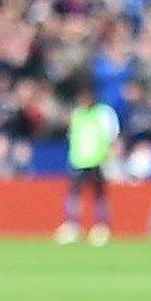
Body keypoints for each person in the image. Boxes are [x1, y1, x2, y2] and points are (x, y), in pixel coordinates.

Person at [56, 81, 117, 245]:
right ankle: (73, 226)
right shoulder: (77, 114)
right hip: (79, 161)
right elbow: (73, 137)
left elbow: (111, 138)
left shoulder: (104, 114)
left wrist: (109, 159)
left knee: (99, 195)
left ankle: (102, 227)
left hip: (97, 161)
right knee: (74, 196)